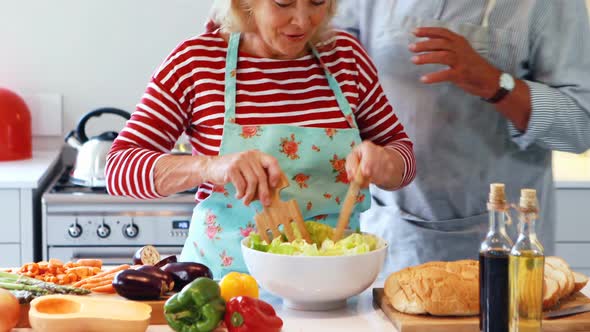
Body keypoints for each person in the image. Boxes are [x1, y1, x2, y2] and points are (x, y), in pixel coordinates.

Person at [105, 0, 416, 278]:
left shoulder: (346, 58)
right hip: (220, 291)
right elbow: (119, 169)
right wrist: (209, 167)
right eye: (283, 3)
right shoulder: (197, 62)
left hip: (333, 289)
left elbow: (402, 155)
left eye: (317, 2)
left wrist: (386, 163)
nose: (303, 20)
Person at [334, 0, 590, 276]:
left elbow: (581, 126)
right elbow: (327, 69)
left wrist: (495, 83)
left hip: (502, 249)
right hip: (390, 237)